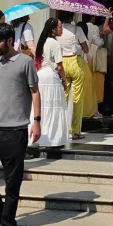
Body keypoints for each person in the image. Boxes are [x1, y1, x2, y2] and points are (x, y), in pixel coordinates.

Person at [0, 23, 40, 226]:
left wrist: (37, 121)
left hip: (15, 131)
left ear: (10, 41)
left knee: (13, 183)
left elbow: (34, 91)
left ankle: (7, 223)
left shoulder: (25, 62)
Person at [33, 18, 69, 148]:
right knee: (54, 107)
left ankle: (40, 136)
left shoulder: (42, 42)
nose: (62, 29)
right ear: (53, 29)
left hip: (41, 75)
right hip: (51, 77)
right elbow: (60, 67)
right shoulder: (55, 44)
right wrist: (64, 81)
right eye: (60, 27)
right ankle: (53, 138)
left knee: (42, 107)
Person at [57, 11, 89, 139]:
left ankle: (61, 128)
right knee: (77, 98)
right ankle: (75, 131)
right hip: (75, 62)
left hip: (62, 63)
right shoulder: (77, 29)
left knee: (63, 97)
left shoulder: (58, 31)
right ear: (72, 17)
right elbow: (86, 48)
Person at [77, 17, 99, 120]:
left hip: (73, 64)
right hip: (84, 66)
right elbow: (89, 55)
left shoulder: (73, 37)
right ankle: (87, 111)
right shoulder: (84, 40)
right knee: (88, 91)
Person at [89, 16, 109, 117]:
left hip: (84, 58)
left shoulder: (79, 27)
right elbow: (98, 42)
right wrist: (101, 39)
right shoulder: (95, 27)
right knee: (95, 83)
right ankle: (95, 108)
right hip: (93, 57)